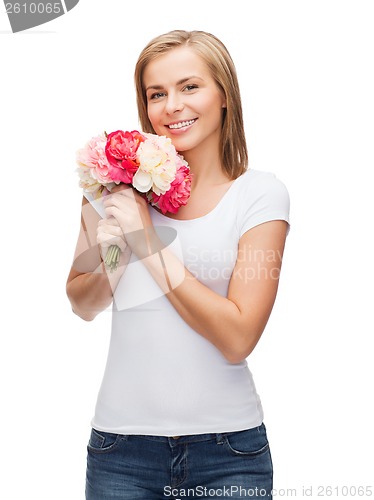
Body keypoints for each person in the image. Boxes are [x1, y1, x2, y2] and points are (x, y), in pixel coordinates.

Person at [66, 29, 290, 500]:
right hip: (119, 452)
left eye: (190, 86)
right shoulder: (111, 191)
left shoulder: (260, 195)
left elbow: (238, 337)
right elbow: (82, 304)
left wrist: (147, 243)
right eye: (156, 94)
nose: (172, 106)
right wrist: (116, 252)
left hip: (229, 454)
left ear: (224, 94)